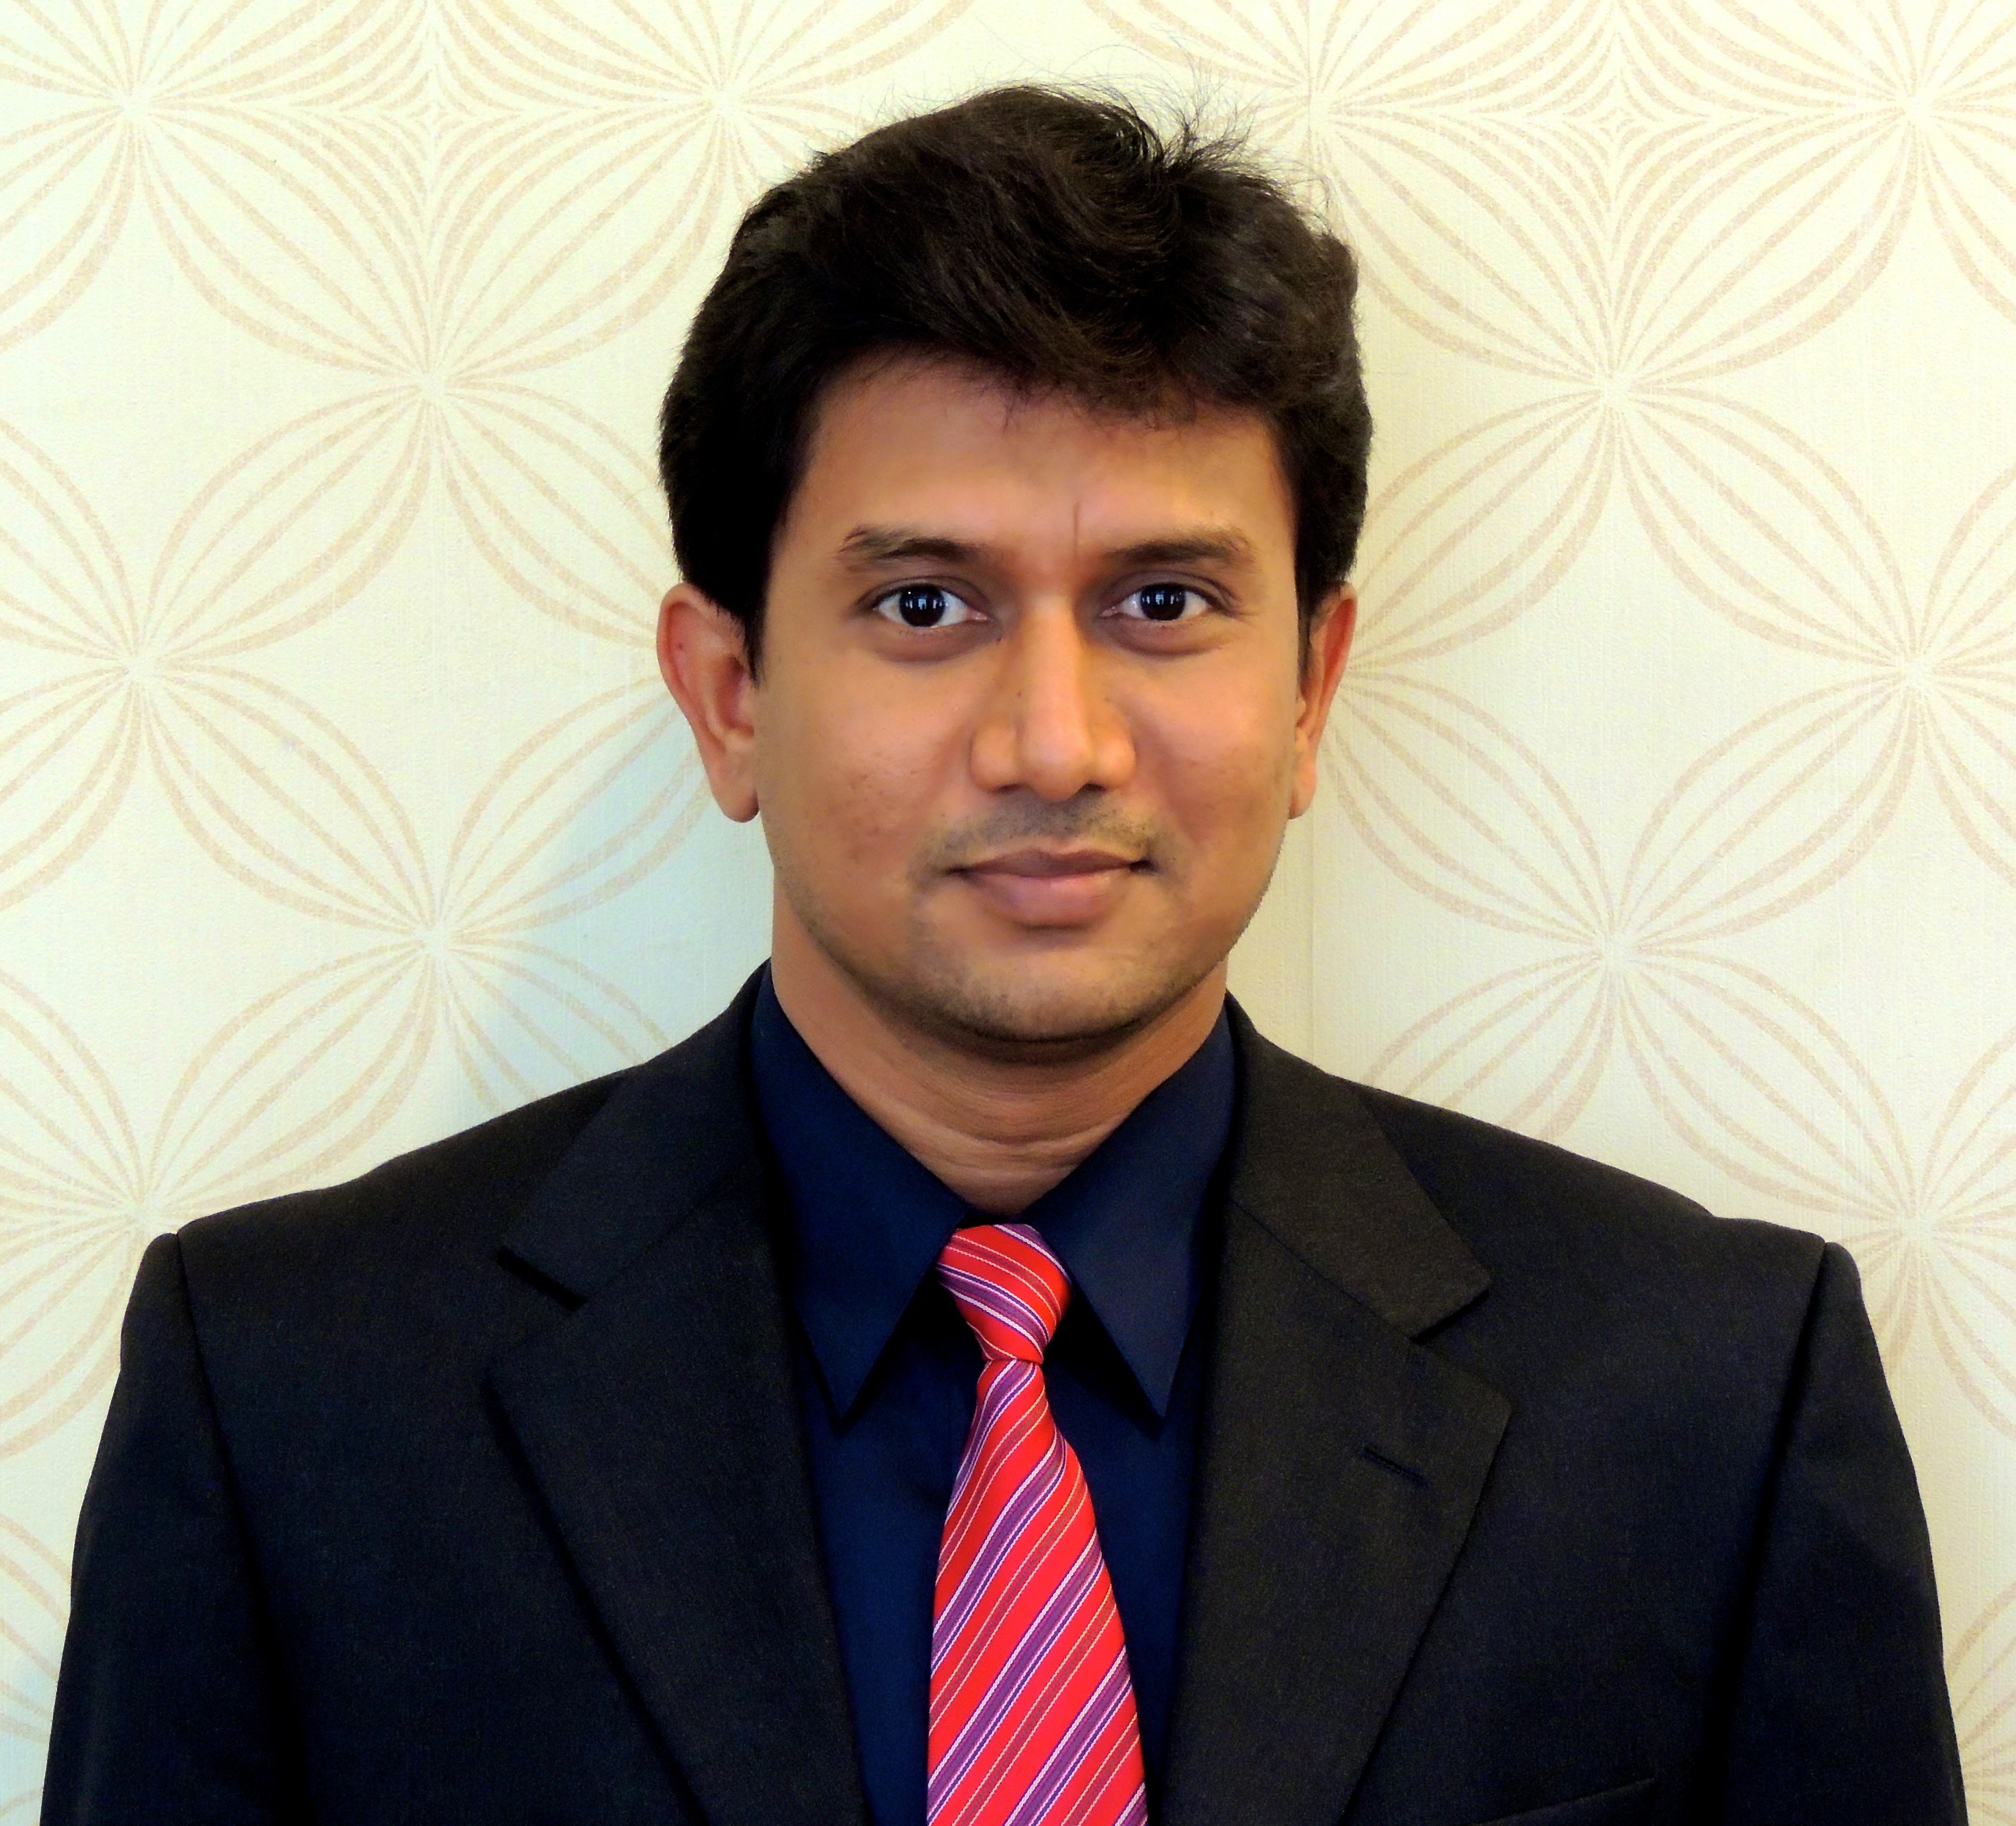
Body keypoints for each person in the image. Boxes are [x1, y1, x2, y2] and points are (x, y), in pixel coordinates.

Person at [41, 86, 1962, 1826]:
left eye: (1163, 600)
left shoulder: (1701, 1388)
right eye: (923, 605)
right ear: (728, 693)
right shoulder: (291, 1391)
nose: (1056, 744)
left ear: (1310, 689)